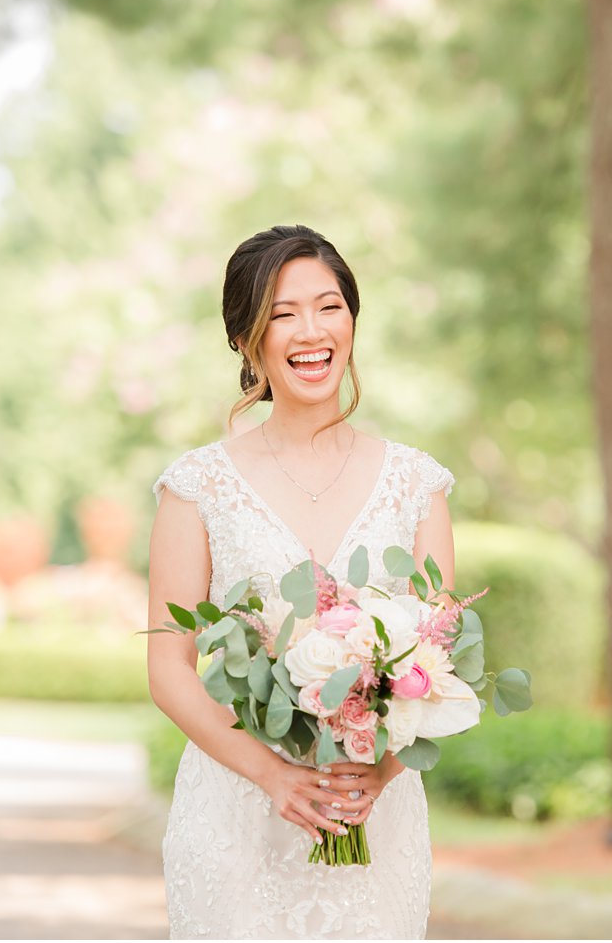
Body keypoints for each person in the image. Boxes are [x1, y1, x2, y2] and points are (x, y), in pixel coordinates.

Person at [147, 224, 453, 939]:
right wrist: (273, 775)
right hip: (236, 819)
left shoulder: (416, 483)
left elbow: (436, 665)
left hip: (374, 813)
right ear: (246, 339)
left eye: (329, 306)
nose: (310, 332)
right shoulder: (197, 486)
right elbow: (169, 669)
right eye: (282, 314)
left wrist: (383, 771)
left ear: (351, 319)